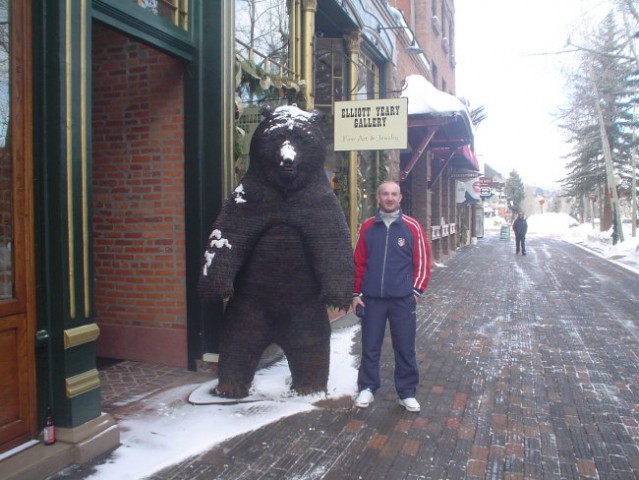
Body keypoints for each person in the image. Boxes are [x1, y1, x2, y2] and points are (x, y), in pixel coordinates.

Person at [351, 181, 431, 412]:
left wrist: (415, 291)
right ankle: (367, 388)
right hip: (372, 299)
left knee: (405, 347)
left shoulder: (412, 227)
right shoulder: (367, 227)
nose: (389, 198)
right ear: (378, 197)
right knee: (370, 347)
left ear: (400, 198)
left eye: (393, 194)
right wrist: (356, 293)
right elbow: (358, 262)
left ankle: (406, 392)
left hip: (402, 300)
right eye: (385, 194)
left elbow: (423, 263)